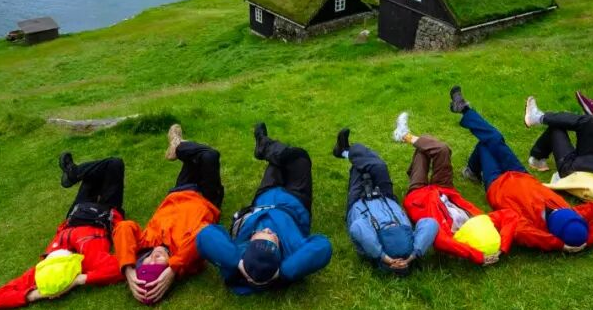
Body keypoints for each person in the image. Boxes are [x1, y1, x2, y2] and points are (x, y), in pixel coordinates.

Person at [450, 87, 593, 253]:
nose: (555, 210)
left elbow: (520, 232)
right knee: (494, 139)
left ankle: (471, 168)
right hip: (520, 173)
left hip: (496, 183)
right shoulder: (570, 213)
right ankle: (464, 110)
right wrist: (587, 239)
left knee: (485, 144)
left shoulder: (531, 225)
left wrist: (558, 245)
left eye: (554, 214)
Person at [196, 123, 332, 294]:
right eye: (274, 238)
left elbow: (205, 235)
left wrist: (238, 263)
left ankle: (264, 145)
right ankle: (264, 144)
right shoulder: (292, 254)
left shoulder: (238, 253)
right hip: (296, 201)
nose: (269, 231)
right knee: (299, 157)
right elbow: (323, 246)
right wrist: (282, 272)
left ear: (249, 244)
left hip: (265, 197)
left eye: (262, 234)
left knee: (278, 163)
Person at [0, 154, 125, 309]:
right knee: (114, 164)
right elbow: (121, 267)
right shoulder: (87, 259)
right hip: (105, 212)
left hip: (76, 214)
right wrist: (79, 280)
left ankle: (74, 173)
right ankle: (74, 172)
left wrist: (35, 294)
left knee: (98, 171)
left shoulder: (39, 271)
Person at [113, 124, 224, 304]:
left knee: (196, 157)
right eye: (157, 265)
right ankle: (178, 145)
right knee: (210, 155)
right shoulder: (184, 256)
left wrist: (128, 268)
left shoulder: (146, 243)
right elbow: (202, 235)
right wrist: (174, 268)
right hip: (207, 197)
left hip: (179, 190)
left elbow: (123, 227)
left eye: (146, 263)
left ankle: (181, 146)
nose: (152, 258)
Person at [392, 112, 504, 265]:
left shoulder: (447, 235)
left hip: (419, 197)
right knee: (441, 149)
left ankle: (406, 140)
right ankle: (407, 142)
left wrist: (476, 256)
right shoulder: (483, 220)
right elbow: (510, 216)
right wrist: (502, 248)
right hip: (445, 189)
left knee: (425, 148)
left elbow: (441, 243)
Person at [332, 128, 438, 274]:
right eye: (403, 263)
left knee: (361, 168)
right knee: (378, 165)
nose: (400, 262)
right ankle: (345, 151)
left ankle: (345, 151)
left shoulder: (371, 251)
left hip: (358, 201)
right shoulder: (413, 248)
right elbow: (430, 223)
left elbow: (357, 226)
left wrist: (382, 256)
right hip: (386, 198)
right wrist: (413, 255)